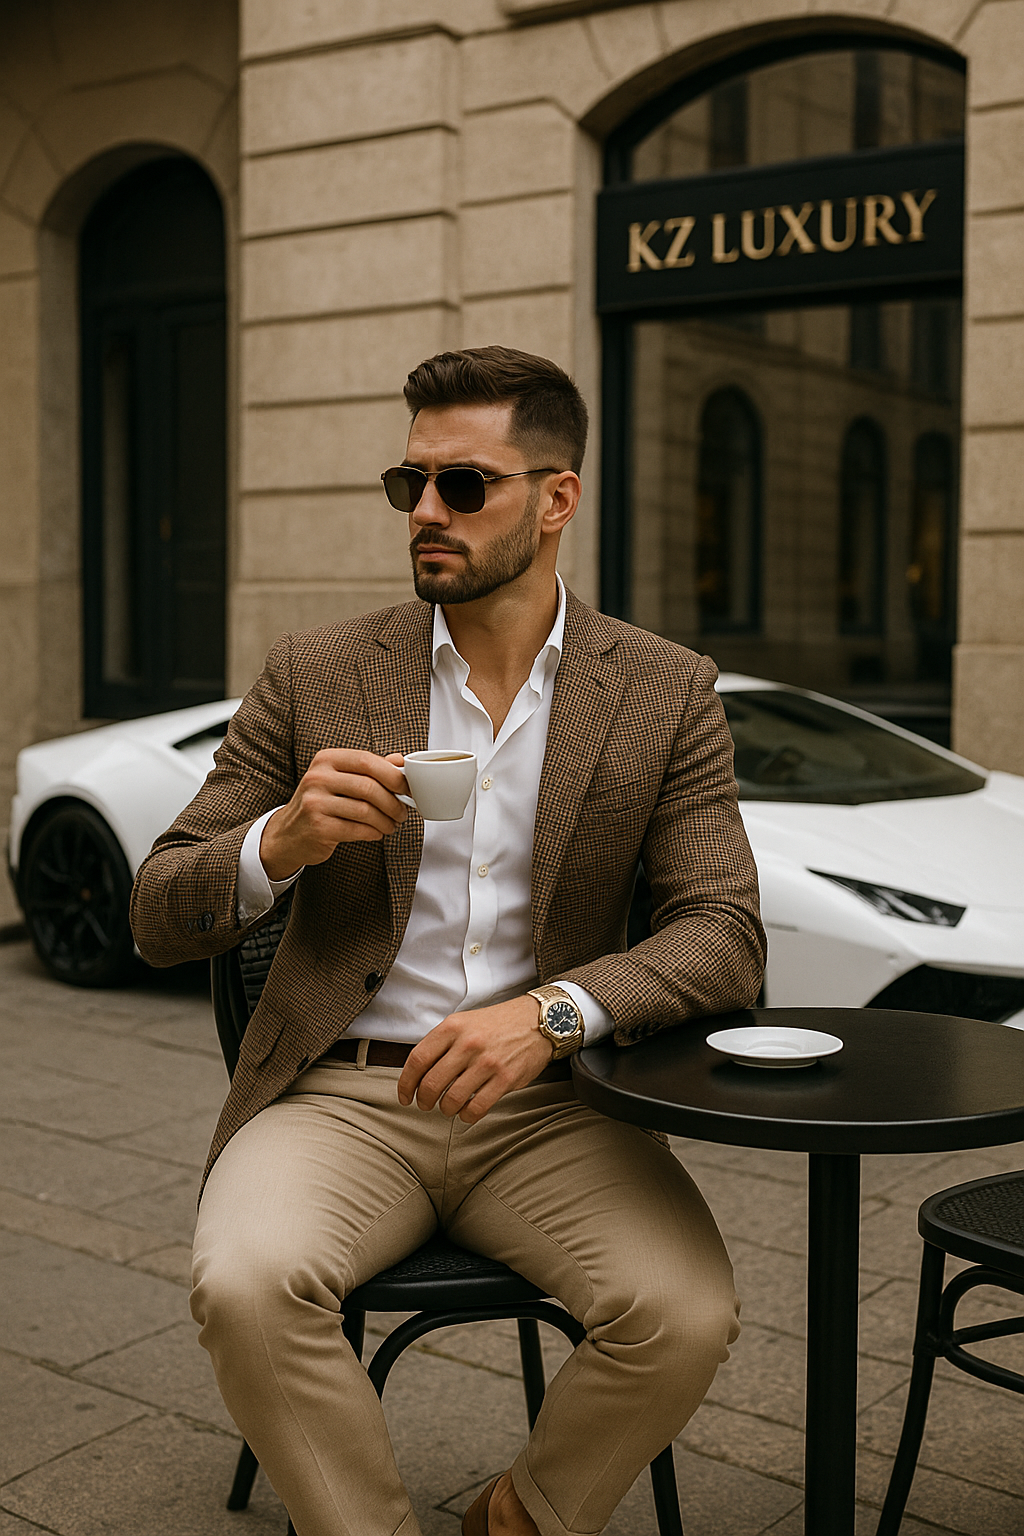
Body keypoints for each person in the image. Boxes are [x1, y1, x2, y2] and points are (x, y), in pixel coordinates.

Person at [130, 346, 765, 1536]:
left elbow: (722, 932)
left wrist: (552, 1015)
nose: (425, 511)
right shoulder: (316, 671)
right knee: (246, 1283)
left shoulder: (662, 689)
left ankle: (516, 1518)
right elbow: (160, 910)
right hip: (341, 1097)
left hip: (552, 1106)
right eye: (408, 483)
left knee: (682, 1314)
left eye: (462, 485)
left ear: (557, 498)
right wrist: (279, 841)